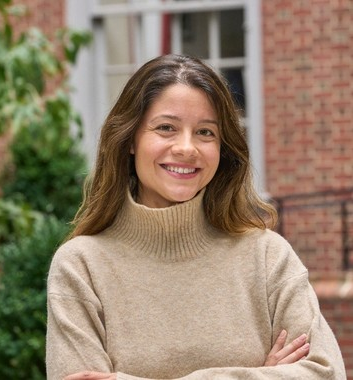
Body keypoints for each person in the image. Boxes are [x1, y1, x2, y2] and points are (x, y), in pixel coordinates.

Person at [46, 54, 346, 380]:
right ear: (131, 139)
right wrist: (259, 375)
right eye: (166, 128)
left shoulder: (267, 257)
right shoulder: (81, 267)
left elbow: (325, 372)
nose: (187, 148)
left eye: (205, 132)